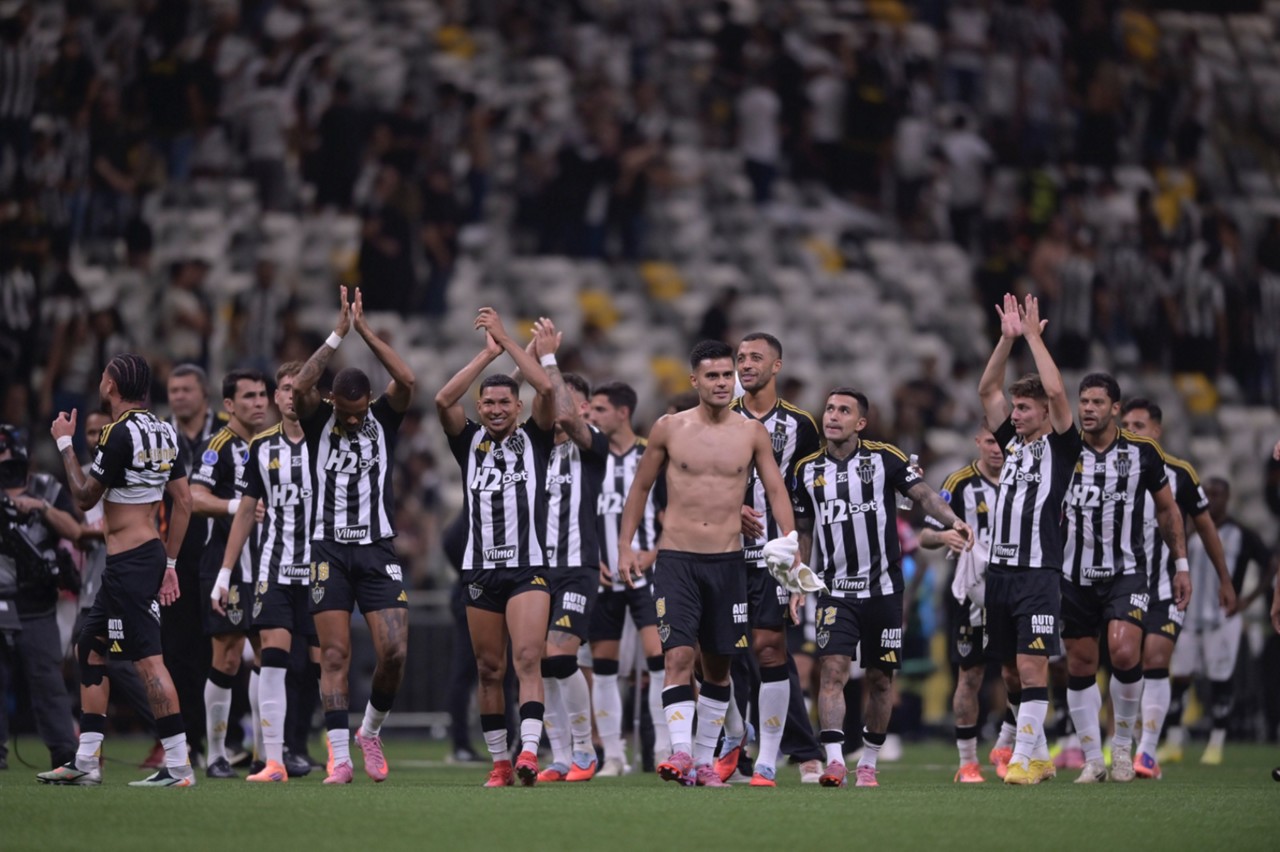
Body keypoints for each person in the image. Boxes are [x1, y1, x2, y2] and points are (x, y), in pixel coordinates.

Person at [617, 340, 800, 788]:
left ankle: (703, 761)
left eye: (727, 375)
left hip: (728, 561)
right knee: (677, 655)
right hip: (677, 558)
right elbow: (640, 489)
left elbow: (777, 492)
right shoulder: (668, 428)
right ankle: (680, 752)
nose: (722, 383)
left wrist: (791, 547)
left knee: (718, 669)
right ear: (694, 380)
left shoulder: (751, 432)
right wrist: (625, 546)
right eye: (713, 376)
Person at [792, 388, 973, 788]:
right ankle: (836, 760)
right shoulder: (805, 470)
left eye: (844, 411)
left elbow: (923, 495)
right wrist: (797, 577)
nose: (833, 416)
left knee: (879, 679)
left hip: (885, 590)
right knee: (833, 671)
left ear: (860, 423)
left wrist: (953, 520)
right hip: (835, 590)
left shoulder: (884, 458)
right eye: (829, 409)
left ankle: (869, 763)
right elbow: (803, 530)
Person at [39, 353, 197, 786]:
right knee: (90, 646)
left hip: (129, 563)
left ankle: (180, 765)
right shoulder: (165, 430)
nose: (101, 381)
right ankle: (86, 762)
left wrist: (65, 444)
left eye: (104, 376)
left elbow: (86, 498)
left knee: (148, 662)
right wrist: (169, 563)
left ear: (113, 386)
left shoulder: (117, 433)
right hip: (143, 556)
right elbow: (183, 502)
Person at [292, 287, 415, 785]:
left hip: (375, 547)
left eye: (358, 412)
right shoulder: (318, 416)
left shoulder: (382, 419)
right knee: (335, 655)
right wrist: (336, 334)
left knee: (395, 653)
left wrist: (365, 332)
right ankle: (339, 758)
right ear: (333, 402)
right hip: (328, 549)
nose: (351, 419)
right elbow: (301, 384)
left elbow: (406, 378)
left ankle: (370, 731)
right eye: (345, 412)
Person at [435, 306, 557, 787]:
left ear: (518, 408)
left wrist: (507, 341)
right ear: (480, 407)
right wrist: (486, 357)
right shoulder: (467, 443)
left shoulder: (536, 438)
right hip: (479, 570)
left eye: (505, 403)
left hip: (528, 568)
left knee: (527, 659)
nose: (497, 409)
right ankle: (500, 762)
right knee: (489, 669)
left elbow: (547, 389)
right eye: (488, 404)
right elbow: (443, 398)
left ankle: (528, 752)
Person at [1059, 373, 1191, 784]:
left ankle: (1121, 750)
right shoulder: (1063, 449)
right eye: (1083, 401)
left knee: (1122, 651)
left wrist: (1181, 564)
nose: (1089, 409)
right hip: (1073, 573)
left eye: (1098, 402)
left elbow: (1169, 510)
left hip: (1127, 571)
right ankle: (1091, 759)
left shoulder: (1143, 452)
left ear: (1115, 408)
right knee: (1080, 662)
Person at [977, 293, 1082, 786]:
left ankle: (1020, 759)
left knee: (1031, 664)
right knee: (1013, 675)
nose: (1014, 414)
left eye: (1024, 408)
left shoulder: (1061, 448)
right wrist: (1006, 339)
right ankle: (1038, 757)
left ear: (1043, 413)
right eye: (1014, 408)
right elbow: (986, 389)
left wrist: (1036, 340)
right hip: (999, 572)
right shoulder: (1013, 445)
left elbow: (1061, 394)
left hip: (1039, 572)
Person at [513, 320, 610, 783]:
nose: (558, 406)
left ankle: (584, 750)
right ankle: (559, 755)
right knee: (535, 662)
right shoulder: (530, 447)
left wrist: (548, 359)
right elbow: (505, 402)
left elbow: (570, 418)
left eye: (565, 398)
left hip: (576, 568)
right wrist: (524, 352)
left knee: (559, 657)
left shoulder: (593, 448)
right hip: (533, 570)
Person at [1119, 398, 1237, 776]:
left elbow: (1205, 527)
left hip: (1167, 586)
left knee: (1156, 660)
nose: (1131, 432)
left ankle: (1148, 753)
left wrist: (1224, 579)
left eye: (1139, 425)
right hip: (1120, 585)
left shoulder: (1180, 472)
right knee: (1125, 662)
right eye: (1127, 425)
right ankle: (1123, 741)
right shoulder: (1110, 468)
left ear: (1157, 431)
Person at [728, 332, 825, 785]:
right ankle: (744, 753)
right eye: (740, 358)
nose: (745, 365)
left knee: (771, 652)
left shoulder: (801, 425)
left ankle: (797, 751)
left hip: (772, 557)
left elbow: (803, 503)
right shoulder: (720, 415)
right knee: (729, 655)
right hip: (723, 553)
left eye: (755, 358)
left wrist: (797, 565)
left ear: (776, 367)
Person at [216, 361, 319, 782]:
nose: (292, 396)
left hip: (320, 571)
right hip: (274, 569)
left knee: (319, 666)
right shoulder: (261, 447)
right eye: (286, 389)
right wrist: (224, 573)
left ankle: (315, 748)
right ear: (277, 396)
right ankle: (273, 760)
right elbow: (244, 512)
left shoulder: (327, 441)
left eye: (300, 389)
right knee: (273, 663)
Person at [190, 368, 268, 778]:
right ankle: (216, 753)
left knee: (269, 655)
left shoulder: (273, 445)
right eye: (250, 396)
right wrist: (235, 506)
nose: (259, 402)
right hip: (226, 564)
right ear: (229, 405)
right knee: (229, 655)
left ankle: (265, 753)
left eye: (263, 395)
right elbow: (194, 497)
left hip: (268, 565)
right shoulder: (216, 447)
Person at [588, 380, 668, 776]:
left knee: (660, 660)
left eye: (599, 409)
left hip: (646, 575)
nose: (591, 416)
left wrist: (651, 553)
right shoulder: (590, 454)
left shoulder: (649, 454)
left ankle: (667, 750)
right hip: (603, 578)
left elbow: (672, 514)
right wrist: (591, 559)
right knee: (604, 666)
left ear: (623, 412)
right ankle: (614, 755)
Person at [1165, 478, 1270, 766]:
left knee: (1220, 679)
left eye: (1217, 494)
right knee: (1181, 677)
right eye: (1207, 493)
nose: (1212, 499)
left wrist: (1247, 600)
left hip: (1223, 618)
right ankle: (1174, 741)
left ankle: (1216, 742)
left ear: (1228, 497)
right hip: (1188, 616)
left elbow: (1271, 563)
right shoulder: (1189, 530)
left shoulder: (1241, 534)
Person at [919, 425, 1003, 782]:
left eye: (1003, 442)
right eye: (990, 441)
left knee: (1018, 671)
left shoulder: (1025, 479)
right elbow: (924, 535)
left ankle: (1010, 744)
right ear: (978, 442)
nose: (997, 450)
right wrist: (943, 535)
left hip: (1016, 589)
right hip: (970, 594)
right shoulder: (958, 483)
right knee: (970, 674)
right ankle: (968, 761)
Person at [0, 424, 80, 770]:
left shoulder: (47, 487)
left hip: (38, 601)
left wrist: (40, 507)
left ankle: (64, 754)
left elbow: (75, 531)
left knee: (47, 681)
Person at [163, 364, 227, 761]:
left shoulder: (225, 432)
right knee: (177, 650)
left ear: (204, 394)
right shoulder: (159, 435)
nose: (178, 396)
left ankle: (227, 737)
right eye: (172, 390)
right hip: (176, 559)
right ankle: (188, 739)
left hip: (220, 554)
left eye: (186, 389)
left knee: (222, 647)